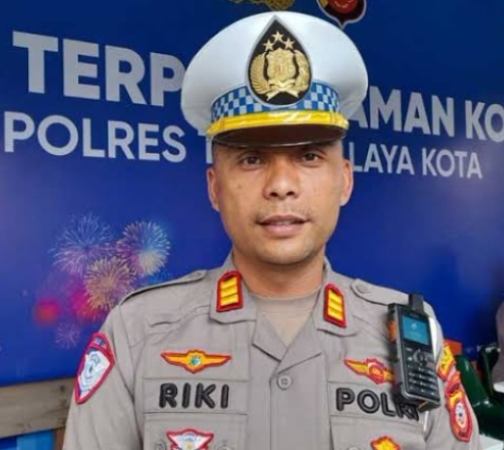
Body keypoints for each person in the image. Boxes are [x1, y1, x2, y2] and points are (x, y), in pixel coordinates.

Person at [63, 11, 482, 450]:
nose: (281, 185)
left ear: (345, 180)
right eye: (251, 159)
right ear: (214, 187)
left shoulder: (410, 335)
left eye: (309, 156)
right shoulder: (138, 331)